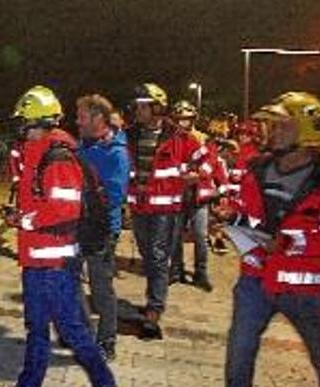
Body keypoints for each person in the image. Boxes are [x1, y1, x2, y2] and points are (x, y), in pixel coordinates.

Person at [206, 92, 320, 387]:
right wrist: (231, 217)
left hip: (305, 289)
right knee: (240, 345)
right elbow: (250, 213)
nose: (270, 132)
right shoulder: (257, 169)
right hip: (255, 280)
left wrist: (292, 245)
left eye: (281, 125)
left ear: (306, 132)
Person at [0, 85, 121, 387]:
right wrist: (23, 217)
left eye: (24, 122)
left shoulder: (57, 155)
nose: (20, 128)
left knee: (73, 330)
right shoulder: (40, 150)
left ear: (38, 122)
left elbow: (64, 209)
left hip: (55, 262)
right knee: (36, 328)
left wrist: (23, 219)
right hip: (38, 258)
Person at [125, 84, 205, 339]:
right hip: (139, 206)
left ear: (157, 107)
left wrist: (194, 177)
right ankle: (154, 297)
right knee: (148, 255)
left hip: (166, 210)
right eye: (137, 105)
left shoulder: (178, 137)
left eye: (143, 105)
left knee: (158, 256)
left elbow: (207, 159)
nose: (137, 110)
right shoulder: (130, 135)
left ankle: (154, 311)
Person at [75, 94, 130, 360]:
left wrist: (82, 198)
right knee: (69, 279)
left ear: (98, 118)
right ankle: (82, 333)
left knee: (100, 287)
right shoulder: (83, 145)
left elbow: (115, 195)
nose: (77, 121)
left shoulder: (115, 152)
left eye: (82, 116)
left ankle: (107, 340)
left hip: (102, 229)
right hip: (77, 226)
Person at [169, 101, 224, 292]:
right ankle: (176, 270)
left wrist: (199, 175)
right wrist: (181, 175)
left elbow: (212, 161)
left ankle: (201, 273)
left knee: (200, 235)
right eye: (180, 119)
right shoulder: (171, 139)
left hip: (199, 194)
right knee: (175, 235)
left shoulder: (203, 139)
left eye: (187, 119)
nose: (184, 123)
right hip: (178, 193)